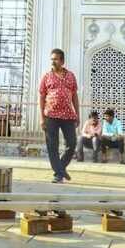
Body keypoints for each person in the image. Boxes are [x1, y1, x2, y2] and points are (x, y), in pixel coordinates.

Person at [38, 48, 79, 183]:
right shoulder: (46, 77)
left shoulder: (71, 76)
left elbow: (74, 96)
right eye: (51, 59)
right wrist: (42, 118)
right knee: (52, 145)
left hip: (68, 115)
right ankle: (58, 173)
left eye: (55, 59)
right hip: (51, 115)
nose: (53, 62)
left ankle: (61, 167)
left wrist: (77, 114)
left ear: (62, 60)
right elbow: (42, 97)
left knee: (72, 143)